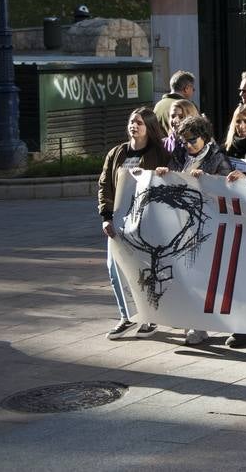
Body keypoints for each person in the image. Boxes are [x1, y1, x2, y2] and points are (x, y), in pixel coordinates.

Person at [100, 107, 170, 340]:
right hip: (118, 219)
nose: (134, 126)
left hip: (145, 221)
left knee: (145, 269)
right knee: (114, 267)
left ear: (149, 127)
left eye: (139, 122)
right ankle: (127, 317)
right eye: (132, 121)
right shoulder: (117, 153)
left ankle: (149, 318)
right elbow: (104, 187)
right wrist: (106, 217)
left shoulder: (159, 154)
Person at [166, 114, 230, 346]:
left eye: (193, 140)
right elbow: (173, 176)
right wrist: (166, 174)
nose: (188, 145)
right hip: (182, 222)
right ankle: (192, 321)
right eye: (184, 141)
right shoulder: (180, 155)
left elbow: (227, 188)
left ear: (204, 137)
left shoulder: (217, 158)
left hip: (206, 224)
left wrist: (208, 179)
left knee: (201, 276)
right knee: (185, 275)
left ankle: (200, 325)